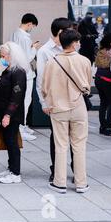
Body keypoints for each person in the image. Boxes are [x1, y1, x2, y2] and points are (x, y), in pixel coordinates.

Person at [43, 29, 91, 194]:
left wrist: (48, 102)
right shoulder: (84, 61)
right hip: (78, 107)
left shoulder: (52, 61)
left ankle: (60, 182)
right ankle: (81, 183)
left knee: (61, 145)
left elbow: (45, 87)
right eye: (78, 41)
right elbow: (88, 84)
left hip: (58, 108)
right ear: (74, 43)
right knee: (79, 145)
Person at [36, 17, 74, 182]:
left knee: (74, 137)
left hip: (73, 99)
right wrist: (44, 102)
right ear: (59, 32)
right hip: (56, 101)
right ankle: (56, 170)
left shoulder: (73, 47)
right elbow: (41, 80)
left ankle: (76, 169)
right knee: (57, 137)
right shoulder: (45, 51)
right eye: (68, 31)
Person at [0, 42, 28, 184]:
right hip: (4, 110)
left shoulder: (18, 72)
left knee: (12, 141)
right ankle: (11, 167)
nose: (2, 58)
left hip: (12, 113)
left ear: (11, 56)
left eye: (3, 56)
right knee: (8, 140)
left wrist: (8, 114)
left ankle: (15, 172)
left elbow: (17, 95)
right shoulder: (9, 70)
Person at [11, 13, 40, 141]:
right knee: (25, 101)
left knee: (20, 100)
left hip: (17, 71)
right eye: (32, 26)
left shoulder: (14, 34)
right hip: (26, 73)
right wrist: (34, 48)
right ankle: (21, 128)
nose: (32, 28)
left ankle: (21, 126)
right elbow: (28, 57)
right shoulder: (25, 38)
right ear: (29, 24)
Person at [95, 32, 111, 137]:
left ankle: (103, 126)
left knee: (103, 103)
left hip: (98, 78)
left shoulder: (100, 49)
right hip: (108, 80)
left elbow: (97, 63)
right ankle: (109, 127)